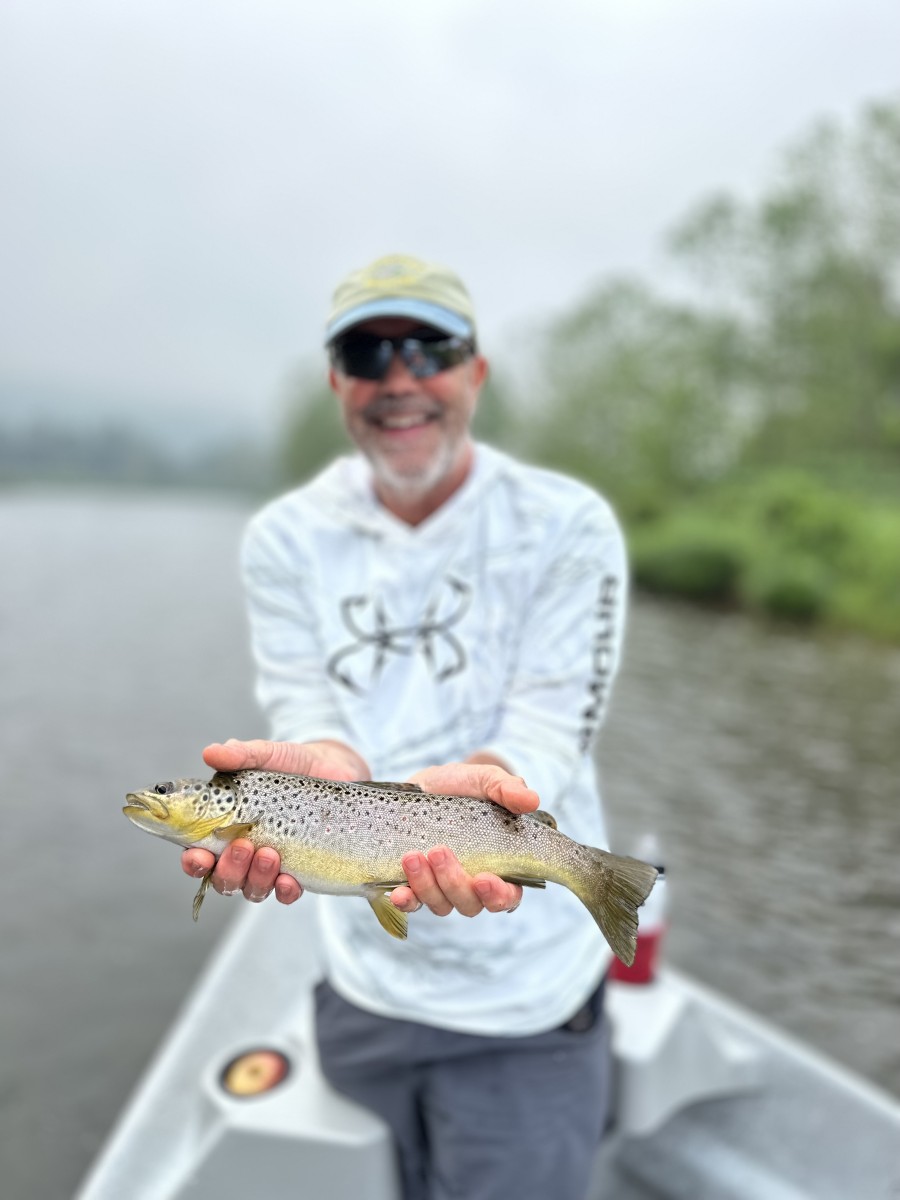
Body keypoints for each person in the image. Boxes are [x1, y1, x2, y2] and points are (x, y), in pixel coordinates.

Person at [182, 253, 629, 1200]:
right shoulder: (284, 539)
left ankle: (599, 884)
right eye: (367, 351)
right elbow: (309, 710)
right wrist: (328, 769)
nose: (399, 378)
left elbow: (553, 724)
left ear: (477, 371)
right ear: (338, 380)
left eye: (430, 349)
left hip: (525, 1005)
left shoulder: (567, 524)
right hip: (364, 987)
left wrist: (490, 778)